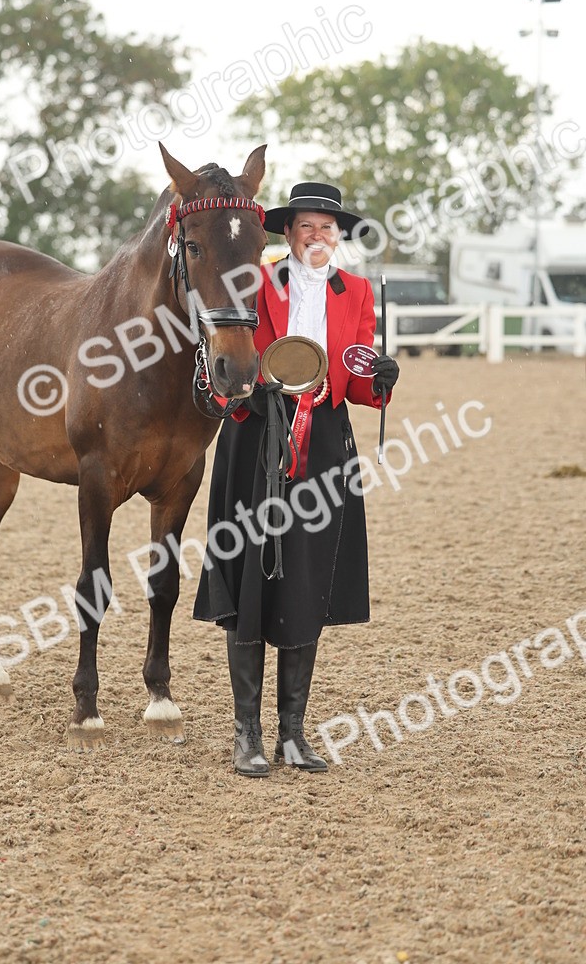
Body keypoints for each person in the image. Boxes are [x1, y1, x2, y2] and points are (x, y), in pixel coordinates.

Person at [193, 182, 400, 777]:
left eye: (327, 228)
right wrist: (250, 395)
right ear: (288, 233)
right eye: (306, 226)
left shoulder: (357, 292)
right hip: (257, 436)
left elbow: (358, 384)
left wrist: (382, 377)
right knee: (253, 574)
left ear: (338, 236)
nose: (317, 236)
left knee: (306, 576)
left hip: (326, 448)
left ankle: (292, 735)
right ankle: (246, 735)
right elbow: (224, 358)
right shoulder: (254, 283)